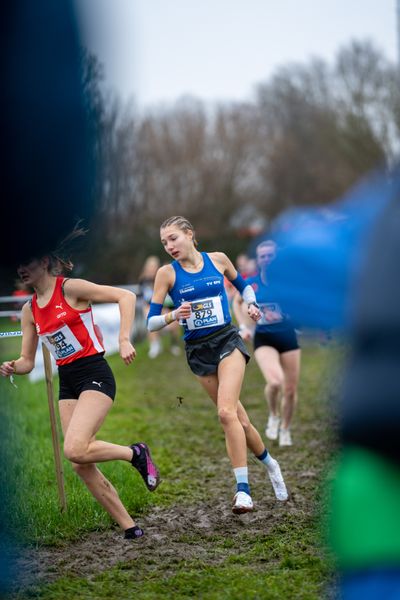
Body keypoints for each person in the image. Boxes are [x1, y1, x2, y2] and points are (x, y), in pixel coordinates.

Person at [0, 239, 160, 540]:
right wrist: (12, 366)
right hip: (68, 380)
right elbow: (27, 361)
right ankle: (130, 527)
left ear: (45, 262)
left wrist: (124, 339)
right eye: (18, 265)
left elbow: (125, 296)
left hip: (94, 373)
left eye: (28, 263)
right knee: (79, 462)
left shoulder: (70, 289)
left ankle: (135, 453)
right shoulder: (29, 310)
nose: (21, 269)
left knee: (74, 447)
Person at [147, 216, 288, 514]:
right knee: (241, 421)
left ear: (190, 234)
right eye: (164, 242)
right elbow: (151, 322)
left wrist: (251, 304)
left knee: (225, 414)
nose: (169, 246)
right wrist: (174, 315)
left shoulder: (218, 260)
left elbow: (245, 286)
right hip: (198, 351)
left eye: (173, 238)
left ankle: (243, 492)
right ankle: (271, 464)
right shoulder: (166, 274)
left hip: (227, 340)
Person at [232, 240, 301, 447]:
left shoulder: (288, 282)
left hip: (288, 337)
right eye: (263, 256)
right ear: (258, 260)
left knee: (290, 390)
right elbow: (237, 302)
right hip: (264, 337)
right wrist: (244, 326)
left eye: (271, 255)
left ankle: (286, 429)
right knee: (275, 382)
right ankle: (273, 414)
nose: (267, 259)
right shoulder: (251, 284)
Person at [138, 255, 181, 358]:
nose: (151, 269)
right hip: (150, 307)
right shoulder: (143, 280)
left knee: (174, 324)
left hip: (166, 306)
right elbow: (143, 298)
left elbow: (168, 297)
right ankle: (155, 345)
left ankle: (174, 344)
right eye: (150, 266)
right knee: (149, 317)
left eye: (154, 266)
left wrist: (165, 308)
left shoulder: (163, 276)